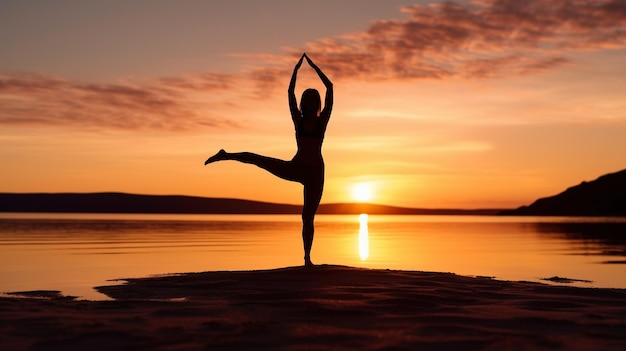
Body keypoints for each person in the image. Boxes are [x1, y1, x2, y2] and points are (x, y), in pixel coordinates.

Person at [204, 53, 333, 267]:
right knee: (257, 159)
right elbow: (290, 93)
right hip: (297, 167)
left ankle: (307, 259)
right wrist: (295, 71)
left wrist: (313, 67)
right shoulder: (298, 120)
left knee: (307, 217)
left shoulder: (322, 121)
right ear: (303, 103)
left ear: (316, 102)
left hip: (316, 174)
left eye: (313, 99)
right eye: (307, 99)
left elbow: (330, 88)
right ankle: (225, 154)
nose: (310, 103)